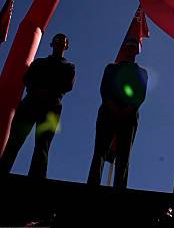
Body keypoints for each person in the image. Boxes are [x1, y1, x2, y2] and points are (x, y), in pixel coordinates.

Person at [0, 33, 75, 178]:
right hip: (31, 103)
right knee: (15, 140)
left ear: (66, 46)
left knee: (42, 145)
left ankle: (37, 177)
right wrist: (37, 90)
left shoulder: (69, 67)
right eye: (57, 41)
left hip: (52, 108)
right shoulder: (39, 62)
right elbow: (27, 78)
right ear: (52, 44)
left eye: (63, 42)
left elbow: (67, 85)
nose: (60, 43)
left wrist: (47, 90)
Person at [87, 38, 147, 188]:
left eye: (134, 47)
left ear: (137, 51)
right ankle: (92, 184)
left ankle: (120, 187)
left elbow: (140, 94)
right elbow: (104, 88)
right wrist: (112, 106)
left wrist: (128, 109)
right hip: (108, 112)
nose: (130, 50)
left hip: (129, 115)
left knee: (124, 156)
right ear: (125, 49)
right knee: (100, 151)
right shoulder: (111, 68)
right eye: (129, 47)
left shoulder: (141, 72)